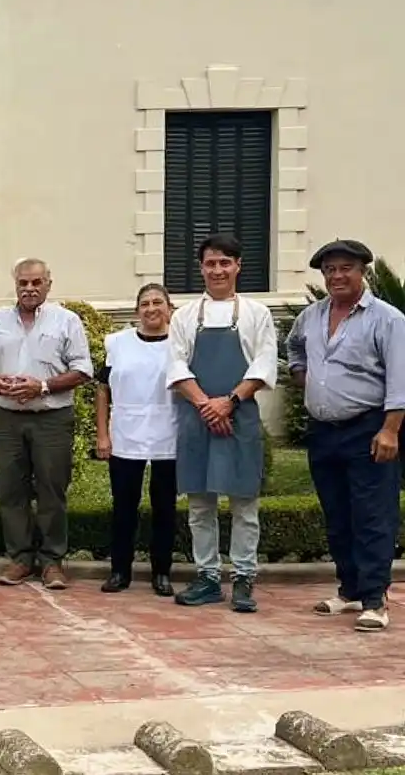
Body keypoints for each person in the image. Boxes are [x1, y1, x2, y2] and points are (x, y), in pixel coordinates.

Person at [288, 239, 404, 632]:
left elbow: (400, 380)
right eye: (329, 270)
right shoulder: (312, 316)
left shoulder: (387, 319)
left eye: (345, 268)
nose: (337, 276)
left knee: (372, 515)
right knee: (336, 515)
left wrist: (390, 430)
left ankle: (375, 598)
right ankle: (350, 589)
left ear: (363, 272)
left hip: (368, 429)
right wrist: (307, 382)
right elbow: (294, 350)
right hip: (323, 431)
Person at [168, 233, 277, 613]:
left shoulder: (256, 314)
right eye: (210, 263)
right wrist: (206, 406)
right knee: (200, 504)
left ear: (238, 266)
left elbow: (264, 365)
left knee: (245, 503)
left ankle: (244, 578)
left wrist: (228, 403)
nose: (217, 270)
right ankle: (208, 576)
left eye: (225, 262)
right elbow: (176, 366)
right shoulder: (182, 316)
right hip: (196, 418)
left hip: (241, 416)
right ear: (201, 268)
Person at [0, 258, 93, 590]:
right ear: (15, 285)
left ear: (48, 285)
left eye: (36, 283)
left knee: (51, 490)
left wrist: (41, 386)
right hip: (7, 417)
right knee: (11, 490)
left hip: (51, 418)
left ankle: (52, 562)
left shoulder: (67, 321)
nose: (29, 289)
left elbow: (83, 370)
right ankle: (20, 559)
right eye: (23, 283)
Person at [96, 284, 178, 597]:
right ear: (136, 311)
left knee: (164, 508)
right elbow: (102, 390)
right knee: (124, 507)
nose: (152, 308)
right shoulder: (117, 343)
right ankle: (119, 571)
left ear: (169, 308)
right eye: (145, 303)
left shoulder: (181, 343)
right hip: (126, 435)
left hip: (168, 434)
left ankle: (161, 572)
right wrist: (103, 433)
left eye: (158, 302)